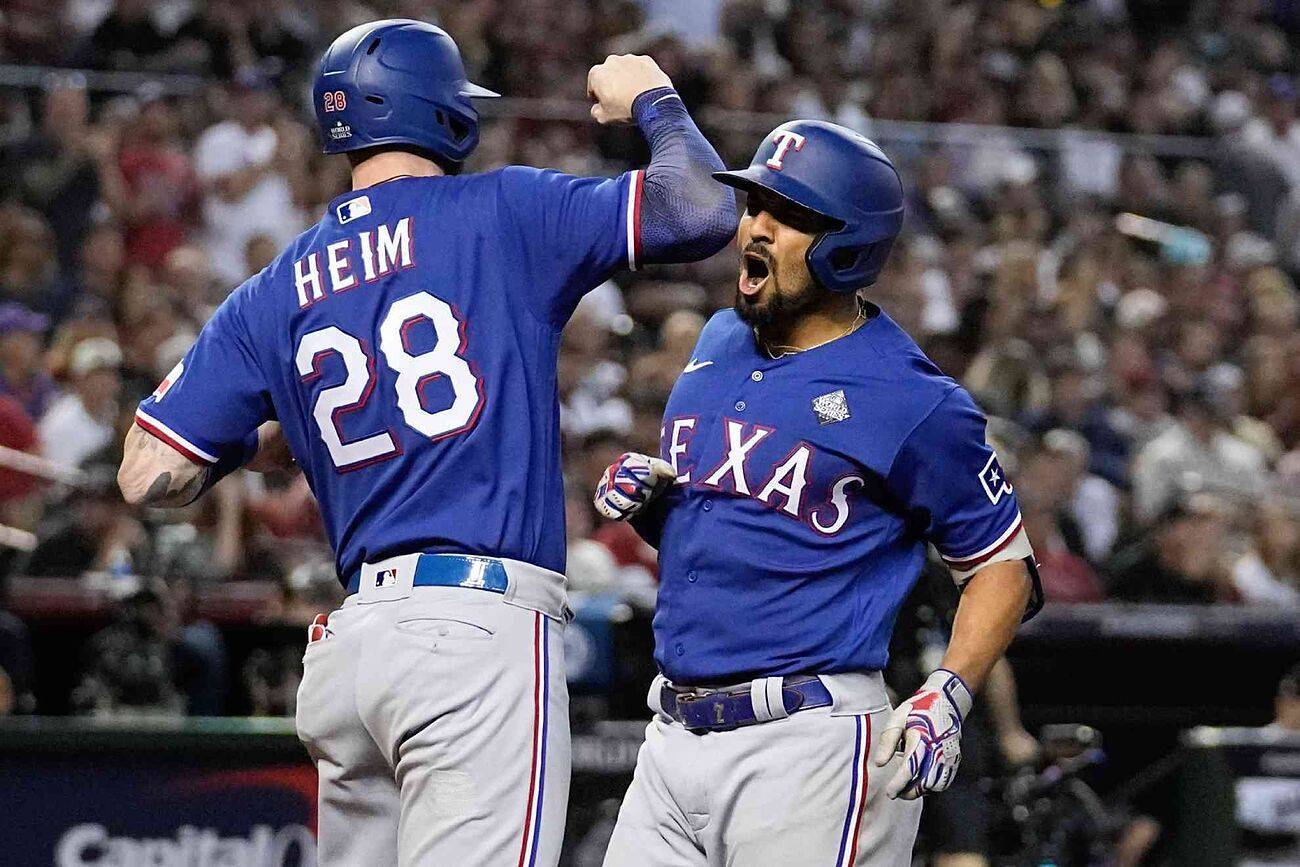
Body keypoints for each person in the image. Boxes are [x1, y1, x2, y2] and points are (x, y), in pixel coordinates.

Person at [116, 18, 735, 866]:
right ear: (443, 113)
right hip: (472, 632)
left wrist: (277, 436)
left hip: (353, 647)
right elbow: (701, 206)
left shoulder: (272, 288)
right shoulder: (503, 209)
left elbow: (148, 473)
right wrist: (656, 103)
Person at [593, 120, 1040, 865]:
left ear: (847, 244)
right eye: (753, 204)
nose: (755, 227)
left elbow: (1003, 566)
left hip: (810, 746)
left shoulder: (912, 397)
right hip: (670, 732)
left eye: (786, 214)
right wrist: (657, 508)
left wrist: (948, 694)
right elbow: (745, 532)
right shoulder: (716, 342)